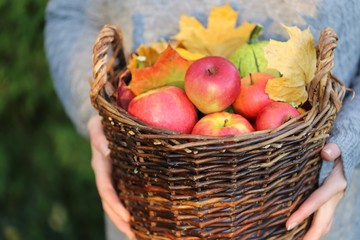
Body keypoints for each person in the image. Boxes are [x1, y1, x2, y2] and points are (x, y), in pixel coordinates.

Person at [44, 0, 360, 239]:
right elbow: (70, 13)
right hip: (152, 209)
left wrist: (350, 141)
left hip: (314, 211)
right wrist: (98, 112)